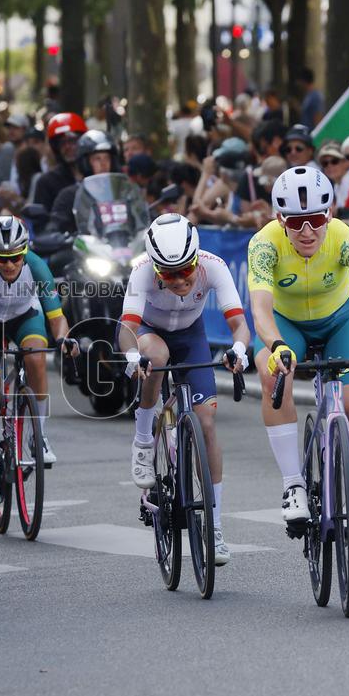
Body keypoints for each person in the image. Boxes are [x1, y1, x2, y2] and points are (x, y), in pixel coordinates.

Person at [247, 166, 349, 550]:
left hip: (339, 322)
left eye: (316, 220)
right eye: (295, 222)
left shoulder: (346, 238)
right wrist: (276, 345)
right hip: (288, 325)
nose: (307, 231)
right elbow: (261, 310)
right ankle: (293, 486)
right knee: (271, 373)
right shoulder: (264, 244)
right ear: (279, 219)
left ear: (329, 215)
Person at [119, 213, 250, 565]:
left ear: (196, 259)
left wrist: (238, 350)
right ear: (155, 268)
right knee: (157, 356)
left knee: (206, 424)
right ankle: (143, 439)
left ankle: (215, 527)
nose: (179, 280)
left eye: (185, 271)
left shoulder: (213, 266)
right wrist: (132, 356)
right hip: (149, 332)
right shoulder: (141, 271)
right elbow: (127, 327)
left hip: (191, 336)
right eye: (168, 274)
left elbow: (239, 324)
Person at [0, 216, 79, 491]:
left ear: (24, 252)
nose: (9, 264)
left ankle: (39, 437)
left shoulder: (37, 266)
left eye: (15, 257)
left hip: (25, 318)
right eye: (1, 259)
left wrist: (63, 339)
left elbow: (56, 317)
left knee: (36, 358)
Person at [32, 112, 87, 211]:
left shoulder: (95, 174)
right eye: (62, 143)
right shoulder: (47, 182)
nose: (68, 147)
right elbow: (40, 218)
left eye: (72, 141)